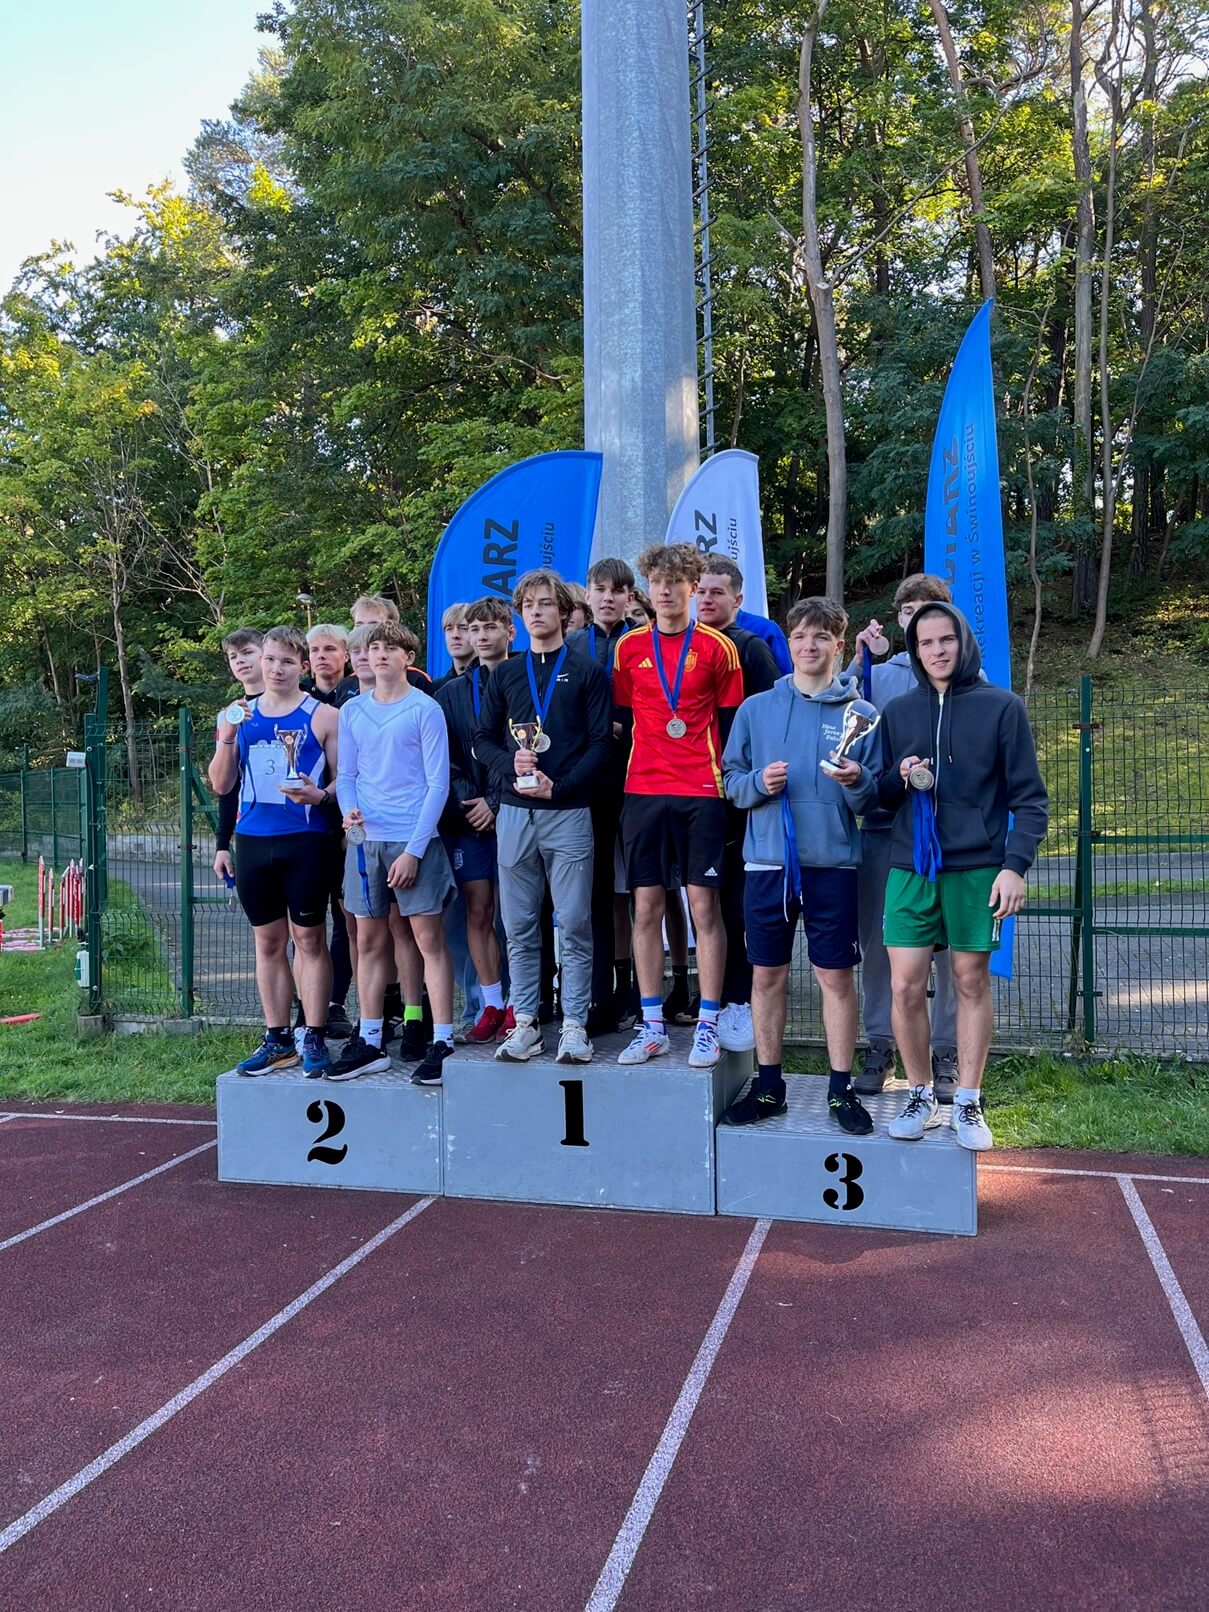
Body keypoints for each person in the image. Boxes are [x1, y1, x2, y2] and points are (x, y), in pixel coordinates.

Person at [876, 601, 1048, 1151]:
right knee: (904, 985)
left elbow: (1031, 800)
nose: (937, 651)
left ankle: (968, 1101)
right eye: (925, 643)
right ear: (914, 649)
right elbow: (879, 797)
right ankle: (919, 1093)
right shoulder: (898, 711)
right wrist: (897, 776)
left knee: (970, 981)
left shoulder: (1003, 708)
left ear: (963, 642)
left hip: (978, 867)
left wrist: (1014, 867)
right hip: (911, 865)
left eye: (946, 640)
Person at [720, 598, 878, 1130]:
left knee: (836, 977)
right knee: (767, 975)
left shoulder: (861, 714)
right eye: (800, 637)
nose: (809, 646)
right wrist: (757, 784)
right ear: (788, 644)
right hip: (767, 864)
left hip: (833, 865)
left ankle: (840, 1090)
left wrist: (857, 782)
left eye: (820, 637)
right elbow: (730, 781)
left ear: (839, 644)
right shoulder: (756, 709)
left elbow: (874, 798)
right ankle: (769, 1087)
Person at [613, 542, 744, 1068]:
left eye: (674, 582)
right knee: (645, 906)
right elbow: (625, 718)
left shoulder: (719, 648)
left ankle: (707, 1025)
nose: (664, 590)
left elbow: (732, 728)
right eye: (656, 582)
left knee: (704, 908)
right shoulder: (627, 648)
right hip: (643, 790)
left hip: (702, 791)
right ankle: (652, 1026)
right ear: (647, 588)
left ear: (692, 587)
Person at [476, 569, 612, 1064]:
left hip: (568, 812)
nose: (536, 611)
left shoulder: (587, 671)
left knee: (574, 922)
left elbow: (602, 745)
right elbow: (482, 740)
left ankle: (574, 1023)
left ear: (564, 612)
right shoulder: (506, 674)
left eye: (546, 603)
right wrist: (508, 764)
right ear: (519, 615)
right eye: (528, 604)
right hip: (515, 815)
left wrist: (563, 786)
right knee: (518, 925)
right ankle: (527, 1022)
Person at [328, 621, 457, 1085]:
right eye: (372, 648)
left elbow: (438, 784)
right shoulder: (352, 710)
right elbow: (347, 776)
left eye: (389, 648)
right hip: (366, 843)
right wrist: (348, 813)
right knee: (367, 940)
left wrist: (414, 851)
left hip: (413, 840)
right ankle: (370, 1041)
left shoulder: (425, 709)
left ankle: (442, 1041)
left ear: (408, 657)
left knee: (427, 940)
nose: (379, 655)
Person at [208, 626, 340, 1078]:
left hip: (306, 841)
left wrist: (319, 795)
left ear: (302, 666)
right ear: (260, 662)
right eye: (270, 659)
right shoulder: (237, 716)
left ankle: (314, 1034)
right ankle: (277, 1037)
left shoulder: (324, 716)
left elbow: (346, 781)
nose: (276, 669)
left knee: (309, 939)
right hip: (253, 841)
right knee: (267, 942)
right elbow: (222, 784)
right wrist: (228, 735)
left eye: (286, 661)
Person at [847, 574, 960, 1100]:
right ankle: (881, 1042)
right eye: (909, 610)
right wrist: (858, 660)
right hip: (884, 831)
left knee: (953, 949)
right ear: (898, 618)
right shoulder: (878, 673)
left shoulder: (969, 679)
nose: (918, 619)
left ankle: (946, 1050)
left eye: (929, 609)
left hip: (950, 836)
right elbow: (837, 706)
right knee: (880, 944)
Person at [695, 557, 781, 1053]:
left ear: (738, 599)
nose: (707, 599)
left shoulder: (750, 648)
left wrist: (755, 783)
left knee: (739, 906)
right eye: (701, 591)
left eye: (717, 592)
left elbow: (775, 718)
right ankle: (716, 1000)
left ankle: (740, 1000)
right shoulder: (684, 647)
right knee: (706, 905)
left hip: (741, 796)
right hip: (695, 793)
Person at [437, 595, 514, 1042]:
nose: (480, 636)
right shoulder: (449, 694)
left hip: (515, 814)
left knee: (516, 916)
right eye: (473, 629)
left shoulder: (526, 683)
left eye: (489, 628)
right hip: (468, 819)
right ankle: (490, 1004)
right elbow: (444, 760)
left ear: (508, 632)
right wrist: (475, 801)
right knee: (478, 911)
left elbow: (531, 750)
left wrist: (497, 801)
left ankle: (522, 1004)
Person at [566, 556, 637, 1032]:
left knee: (642, 891)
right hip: (587, 784)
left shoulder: (645, 641)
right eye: (600, 589)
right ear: (588, 595)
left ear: (630, 597)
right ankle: (595, 997)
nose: (608, 598)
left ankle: (637, 991)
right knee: (592, 893)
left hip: (637, 779)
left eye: (617, 590)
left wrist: (623, 729)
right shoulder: (571, 645)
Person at [212, 629, 264, 895]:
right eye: (233, 656)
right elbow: (227, 785)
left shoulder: (303, 705)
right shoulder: (228, 716)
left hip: (304, 831)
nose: (240, 660)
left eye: (247, 652)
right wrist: (222, 844)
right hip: (251, 831)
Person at [303, 623, 359, 708]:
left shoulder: (361, 690)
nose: (321, 655)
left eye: (329, 649)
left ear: (346, 656)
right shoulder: (298, 693)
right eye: (314, 650)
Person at [433, 603, 476, 690]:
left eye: (464, 628)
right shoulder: (436, 688)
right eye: (449, 629)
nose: (455, 635)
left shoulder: (493, 682)